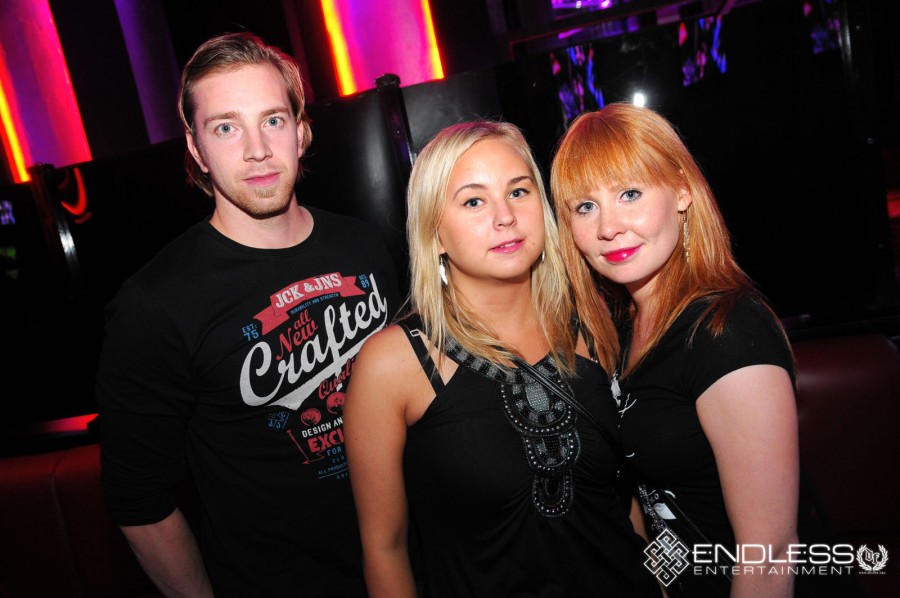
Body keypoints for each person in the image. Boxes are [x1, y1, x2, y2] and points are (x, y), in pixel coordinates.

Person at [96, 32, 400, 597]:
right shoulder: (155, 305)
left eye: (273, 120)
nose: (257, 149)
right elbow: (141, 506)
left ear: (301, 131)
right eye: (226, 128)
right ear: (196, 149)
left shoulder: (364, 245)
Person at [343, 120, 662, 597]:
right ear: (435, 233)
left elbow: (622, 498)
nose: (505, 216)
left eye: (518, 191)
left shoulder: (593, 323)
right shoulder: (394, 363)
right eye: (473, 201)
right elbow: (385, 550)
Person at [550, 102, 799, 597]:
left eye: (629, 194)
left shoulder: (726, 331)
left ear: (682, 190)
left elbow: (770, 558)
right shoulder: (624, 327)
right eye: (585, 207)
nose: (608, 227)